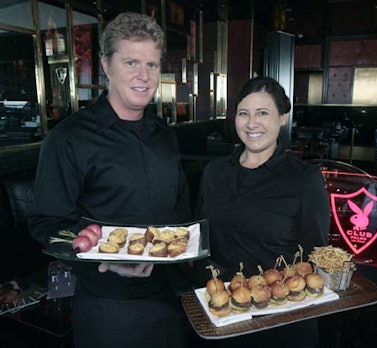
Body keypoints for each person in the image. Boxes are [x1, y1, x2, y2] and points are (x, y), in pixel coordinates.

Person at [28, 12, 191, 348]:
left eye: (153, 65)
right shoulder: (68, 139)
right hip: (108, 309)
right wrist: (102, 255)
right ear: (106, 65)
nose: (144, 76)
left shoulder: (165, 135)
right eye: (131, 62)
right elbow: (45, 224)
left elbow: (180, 209)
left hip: (170, 299)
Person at [192, 76, 330, 347]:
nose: (252, 123)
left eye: (263, 113)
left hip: (278, 322)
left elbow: (314, 257)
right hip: (217, 315)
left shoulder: (304, 179)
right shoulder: (213, 172)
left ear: (282, 117)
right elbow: (200, 236)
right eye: (244, 113)